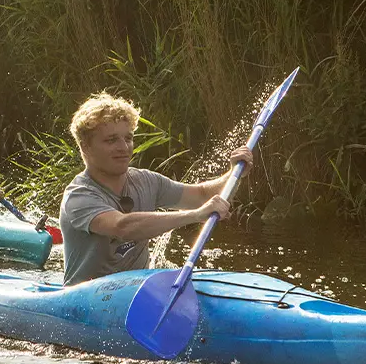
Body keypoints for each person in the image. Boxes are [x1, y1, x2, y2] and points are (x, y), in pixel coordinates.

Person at [59, 91, 253, 286]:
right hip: (85, 296)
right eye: (111, 140)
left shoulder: (146, 181)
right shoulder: (78, 196)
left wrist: (234, 174)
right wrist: (196, 215)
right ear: (86, 147)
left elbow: (202, 195)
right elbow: (122, 227)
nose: (124, 147)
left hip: (138, 290)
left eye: (128, 138)